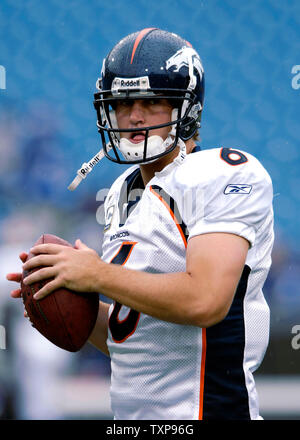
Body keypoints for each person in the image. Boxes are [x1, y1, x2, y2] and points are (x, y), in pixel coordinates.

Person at [7, 28, 274, 420]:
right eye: (123, 101)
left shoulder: (223, 172)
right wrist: (64, 294)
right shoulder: (121, 191)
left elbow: (205, 300)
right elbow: (132, 336)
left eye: (151, 101)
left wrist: (96, 275)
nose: (133, 116)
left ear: (187, 108)